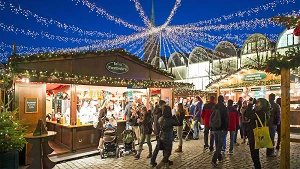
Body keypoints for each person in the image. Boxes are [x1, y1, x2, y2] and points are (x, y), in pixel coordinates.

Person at [245, 98, 271, 169]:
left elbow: (248, 115)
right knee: (254, 154)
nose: (256, 103)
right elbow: (246, 114)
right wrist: (252, 105)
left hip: (255, 135)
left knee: (254, 155)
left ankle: (258, 167)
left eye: (258, 102)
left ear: (262, 104)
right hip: (254, 134)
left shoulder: (261, 113)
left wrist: (250, 104)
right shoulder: (258, 111)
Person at [211, 95, 229, 168]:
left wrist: (212, 127)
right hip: (221, 128)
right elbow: (226, 119)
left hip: (215, 128)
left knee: (217, 143)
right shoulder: (224, 108)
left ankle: (220, 158)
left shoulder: (214, 107)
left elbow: (211, 117)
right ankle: (214, 159)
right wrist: (226, 127)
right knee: (219, 145)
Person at [151, 100, 169, 167]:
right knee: (159, 146)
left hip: (157, 131)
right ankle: (153, 160)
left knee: (163, 146)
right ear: (161, 105)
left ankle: (166, 160)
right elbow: (160, 124)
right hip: (160, 132)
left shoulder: (156, 112)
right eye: (164, 105)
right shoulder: (160, 113)